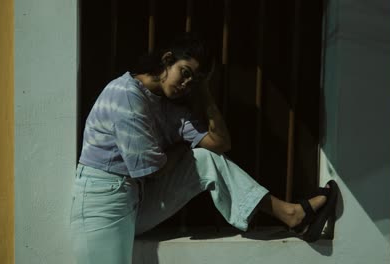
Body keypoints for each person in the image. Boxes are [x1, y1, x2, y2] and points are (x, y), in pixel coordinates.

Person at [70, 33, 338, 264]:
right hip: (103, 200)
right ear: (166, 60)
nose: (186, 84)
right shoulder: (125, 94)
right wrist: (180, 149)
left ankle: (291, 214)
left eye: (193, 81)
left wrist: (205, 92)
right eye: (184, 73)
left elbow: (220, 144)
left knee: (205, 158)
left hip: (135, 201)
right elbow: (151, 170)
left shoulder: (169, 109)